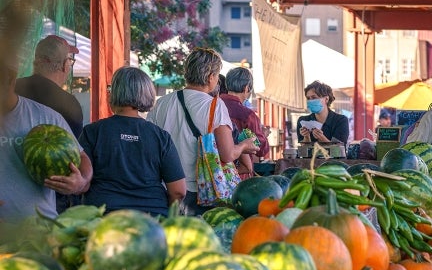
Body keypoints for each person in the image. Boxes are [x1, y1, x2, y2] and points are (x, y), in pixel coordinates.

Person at [147, 48, 259, 216]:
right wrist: (244, 145)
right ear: (210, 77)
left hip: (165, 189)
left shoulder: (161, 103)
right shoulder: (215, 106)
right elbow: (227, 154)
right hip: (198, 192)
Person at [79, 67, 186, 217]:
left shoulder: (92, 132)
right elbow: (178, 191)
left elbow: (81, 181)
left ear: (114, 92)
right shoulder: (160, 136)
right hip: (151, 221)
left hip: (103, 220)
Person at [0, 54, 92, 223]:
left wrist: (80, 181)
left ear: (11, 78)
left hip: (40, 231)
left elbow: (82, 159)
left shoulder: (47, 117)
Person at [15, 35, 85, 213]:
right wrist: (81, 182)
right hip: (53, 202)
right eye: (71, 60)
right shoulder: (68, 105)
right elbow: (74, 159)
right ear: (64, 65)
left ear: (36, 62)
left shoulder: (10, 92)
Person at [221, 67, 269, 179]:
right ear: (247, 88)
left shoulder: (213, 106)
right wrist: (263, 135)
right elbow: (261, 149)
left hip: (215, 171)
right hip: (239, 176)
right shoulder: (248, 115)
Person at [297, 80, 349, 145]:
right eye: (308, 98)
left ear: (326, 99)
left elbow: (338, 150)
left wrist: (321, 137)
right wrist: (306, 137)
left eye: (314, 97)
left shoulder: (340, 120)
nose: (310, 101)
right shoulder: (303, 121)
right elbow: (304, 151)